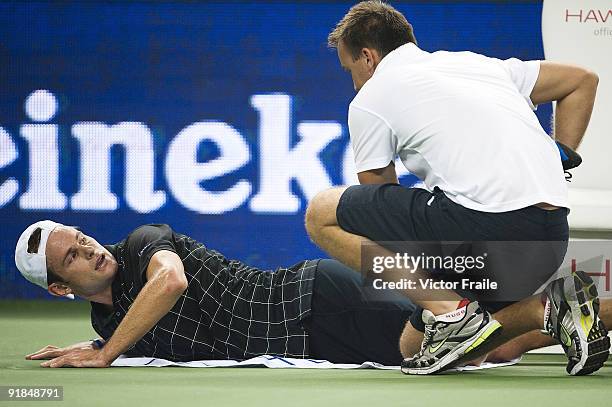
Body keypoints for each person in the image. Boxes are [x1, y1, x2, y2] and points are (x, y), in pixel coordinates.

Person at [304, 0, 609, 375]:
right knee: (413, 346)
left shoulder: (370, 97)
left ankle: (452, 312)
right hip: (549, 238)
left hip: (485, 233)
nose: (353, 81)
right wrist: (557, 157)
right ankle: (548, 308)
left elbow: (377, 203)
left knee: (321, 213)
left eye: (350, 69)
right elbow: (582, 81)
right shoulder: (478, 64)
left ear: (367, 57)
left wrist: (423, 285)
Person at [15, 220, 416, 367]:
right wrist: (95, 342)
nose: (90, 250)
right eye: (73, 257)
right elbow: (140, 331)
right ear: (59, 287)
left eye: (83, 239)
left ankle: (478, 265)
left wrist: (106, 352)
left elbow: (170, 282)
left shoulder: (141, 244)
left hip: (314, 299)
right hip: (315, 341)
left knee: (452, 342)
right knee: (454, 345)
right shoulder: (106, 320)